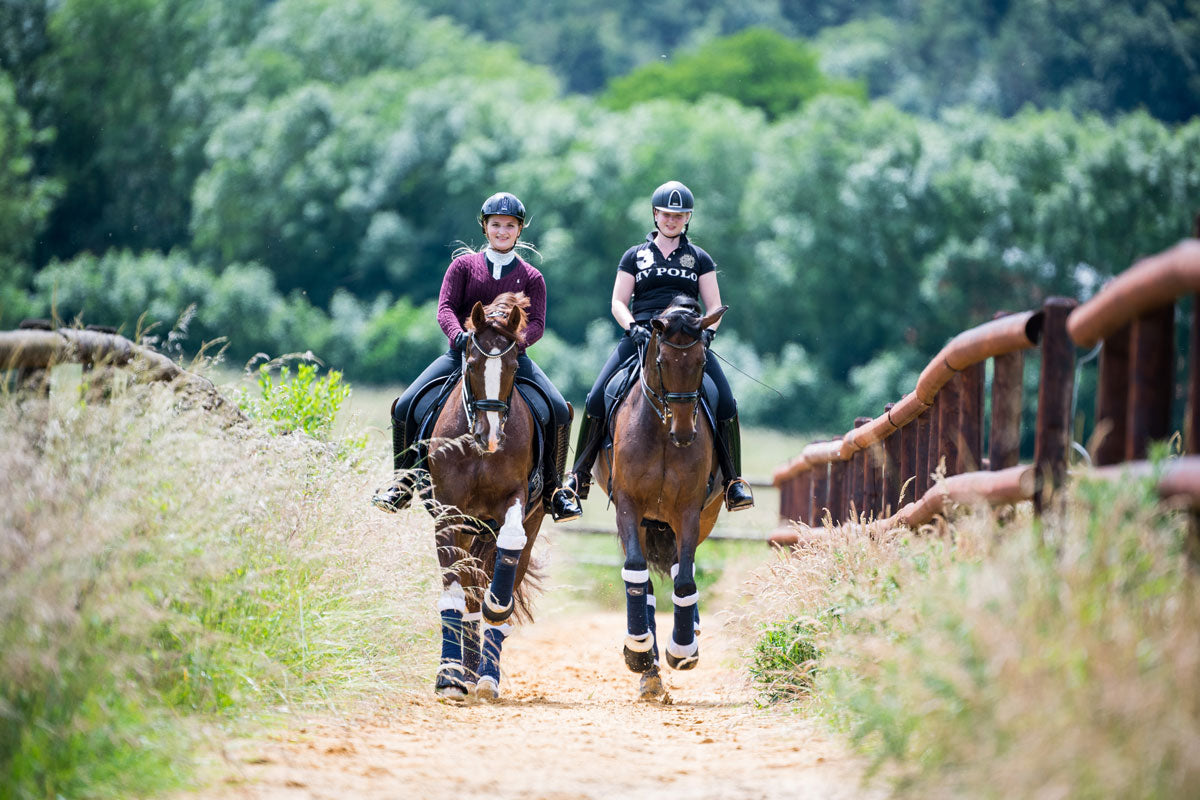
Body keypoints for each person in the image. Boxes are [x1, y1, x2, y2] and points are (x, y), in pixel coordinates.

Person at [372, 192, 583, 522]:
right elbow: (444, 308)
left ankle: (556, 492)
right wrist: (458, 337)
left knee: (558, 409)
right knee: (405, 405)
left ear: (519, 230)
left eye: (510, 226)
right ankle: (403, 484)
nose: (502, 231)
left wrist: (514, 344)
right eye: (496, 225)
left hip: (512, 359)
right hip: (462, 356)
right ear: (485, 227)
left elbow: (538, 323)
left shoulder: (532, 277)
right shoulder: (463, 267)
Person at [564, 180, 754, 511]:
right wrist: (632, 327)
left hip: (686, 342)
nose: (671, 220)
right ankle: (578, 477)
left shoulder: (699, 259)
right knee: (596, 397)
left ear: (687, 219)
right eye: (666, 214)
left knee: (725, 401)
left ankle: (733, 482)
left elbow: (714, 306)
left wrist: (707, 334)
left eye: (678, 216)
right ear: (655, 215)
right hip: (642, 336)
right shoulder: (634, 256)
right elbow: (618, 302)